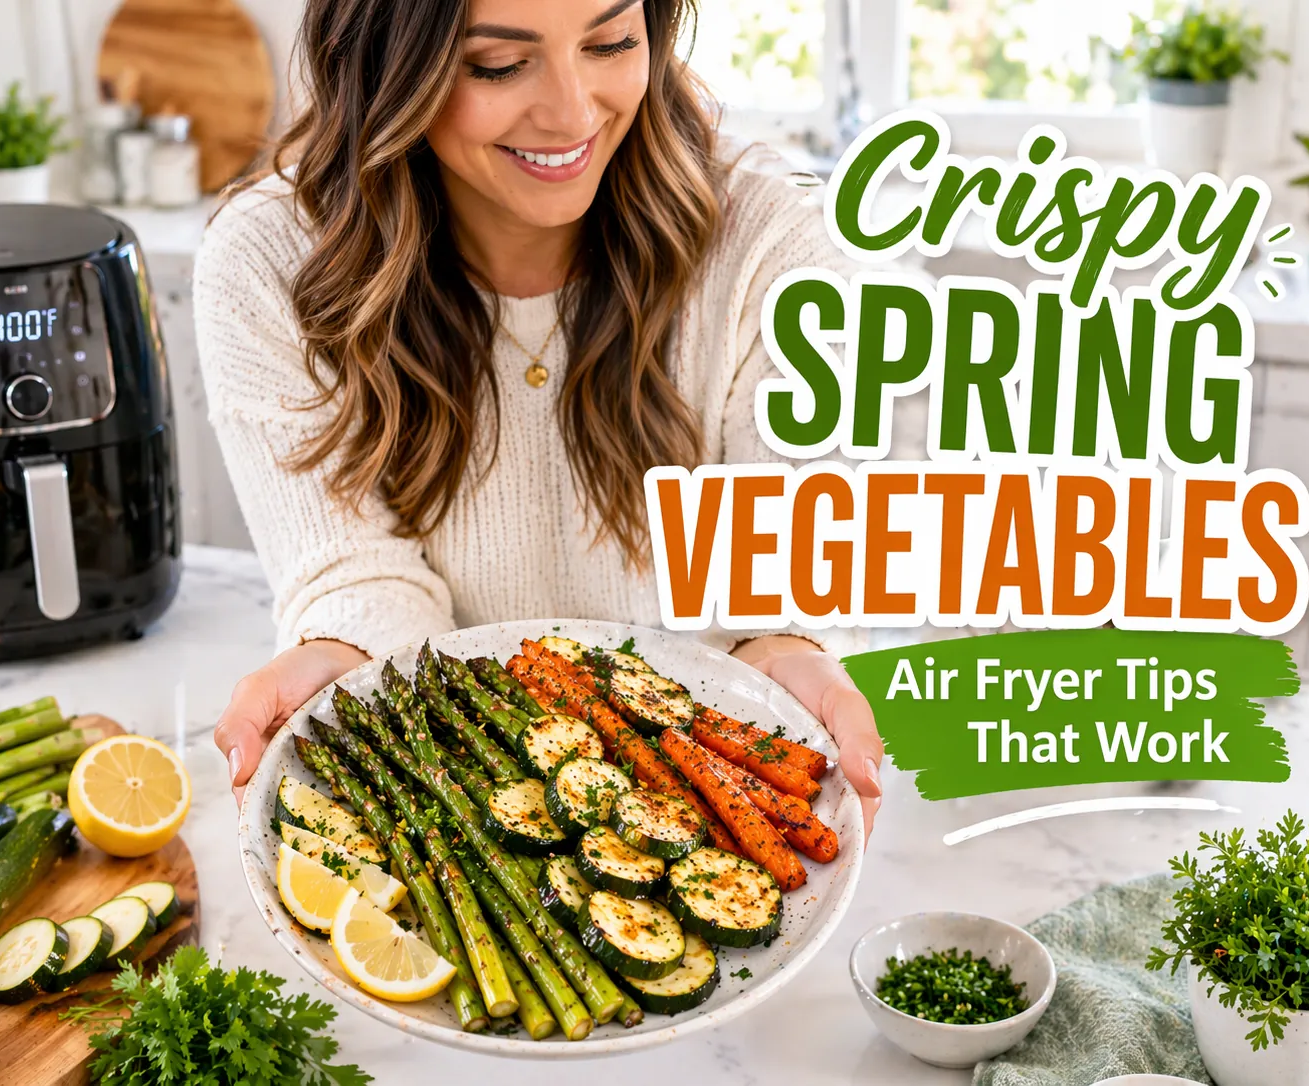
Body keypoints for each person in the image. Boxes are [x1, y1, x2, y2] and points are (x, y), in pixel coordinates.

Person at [194, 0, 885, 839]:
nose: (571, 112)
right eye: (495, 64)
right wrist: (339, 653)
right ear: (383, 68)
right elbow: (352, 576)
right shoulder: (268, 258)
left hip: (705, 792)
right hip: (446, 793)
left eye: (610, 43)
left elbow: (771, 577)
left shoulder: (771, 238)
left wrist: (787, 653)